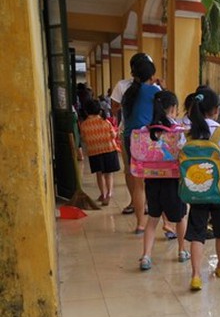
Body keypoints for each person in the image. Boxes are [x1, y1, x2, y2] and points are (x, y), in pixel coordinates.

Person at [184, 87, 220, 291]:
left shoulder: (189, 133)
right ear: (216, 109)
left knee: (197, 232)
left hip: (196, 189)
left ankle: (196, 275)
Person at [138, 90, 190, 271]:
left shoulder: (146, 130)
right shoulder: (177, 130)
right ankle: (182, 250)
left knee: (152, 219)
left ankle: (146, 256)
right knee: (180, 217)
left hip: (152, 179)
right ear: (174, 108)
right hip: (173, 181)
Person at [111, 53, 154, 217]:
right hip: (139, 134)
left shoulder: (150, 87)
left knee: (133, 171)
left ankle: (143, 204)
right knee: (133, 171)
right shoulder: (123, 86)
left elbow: (114, 109)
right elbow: (115, 108)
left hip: (131, 134)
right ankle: (136, 202)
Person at [78, 98, 121, 205]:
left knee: (99, 173)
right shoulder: (106, 122)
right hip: (109, 150)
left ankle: (103, 194)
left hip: (94, 152)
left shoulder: (84, 125)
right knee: (108, 174)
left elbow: (83, 139)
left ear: (87, 111)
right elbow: (113, 135)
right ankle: (109, 193)